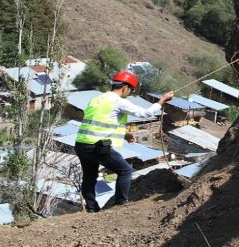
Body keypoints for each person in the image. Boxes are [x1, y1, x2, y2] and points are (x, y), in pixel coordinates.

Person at [74, 70, 174, 212]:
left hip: (81, 144)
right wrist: (162, 101)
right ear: (125, 87)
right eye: (131, 90)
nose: (130, 93)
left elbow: (102, 122)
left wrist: (125, 134)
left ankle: (91, 208)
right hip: (97, 146)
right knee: (125, 171)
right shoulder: (118, 102)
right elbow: (145, 113)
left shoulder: (97, 99)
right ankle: (121, 204)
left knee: (89, 176)